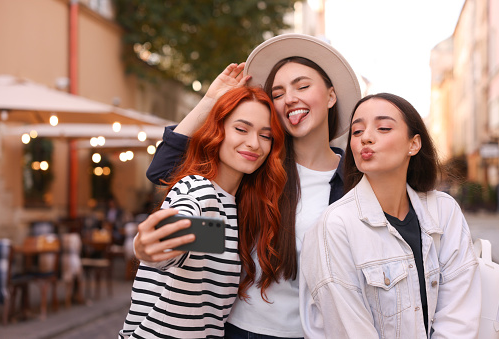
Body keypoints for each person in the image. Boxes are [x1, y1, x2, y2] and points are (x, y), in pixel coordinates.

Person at [141, 33, 361, 338]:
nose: (290, 98)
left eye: (303, 86)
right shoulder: (257, 165)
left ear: (331, 96)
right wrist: (210, 102)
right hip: (241, 329)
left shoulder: (353, 182)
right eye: (278, 92)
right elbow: (167, 175)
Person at [299, 93, 481, 338]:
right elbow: (350, 331)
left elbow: (460, 316)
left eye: (383, 128)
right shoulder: (334, 226)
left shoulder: (444, 211)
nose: (366, 138)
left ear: (414, 144)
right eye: (357, 131)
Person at [119, 86, 286, 338]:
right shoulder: (198, 190)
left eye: (266, 135)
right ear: (217, 131)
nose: (254, 143)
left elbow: (193, 247)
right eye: (241, 129)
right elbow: (172, 243)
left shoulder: (231, 205)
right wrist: (148, 246)